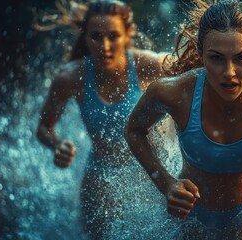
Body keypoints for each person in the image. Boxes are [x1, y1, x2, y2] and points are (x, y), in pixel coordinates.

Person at [125, 0, 242, 239]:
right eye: (216, 58)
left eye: (241, 58)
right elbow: (134, 130)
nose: (229, 72)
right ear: (201, 53)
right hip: (192, 214)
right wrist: (166, 184)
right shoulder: (172, 93)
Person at [36, 1, 167, 239]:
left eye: (113, 36)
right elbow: (44, 127)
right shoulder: (69, 77)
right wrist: (57, 144)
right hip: (100, 178)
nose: (105, 46)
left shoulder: (148, 65)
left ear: (127, 35)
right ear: (85, 37)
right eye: (96, 36)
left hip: (150, 174)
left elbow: (197, 75)